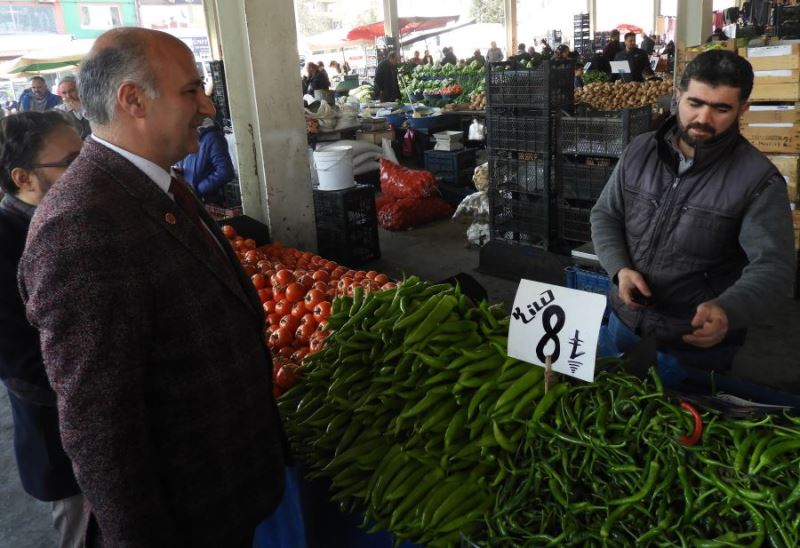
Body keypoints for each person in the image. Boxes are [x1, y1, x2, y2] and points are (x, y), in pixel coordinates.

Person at [18, 27, 287, 547]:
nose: (207, 107)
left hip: (223, 494)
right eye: (190, 91)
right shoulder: (80, 226)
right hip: (187, 519)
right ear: (133, 100)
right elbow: (100, 430)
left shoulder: (154, 180)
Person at [590, 50, 796, 380]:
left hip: (695, 345)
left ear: (742, 109)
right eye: (695, 103)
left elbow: (775, 267)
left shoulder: (758, 180)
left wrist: (729, 309)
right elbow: (605, 215)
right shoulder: (640, 150)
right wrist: (620, 270)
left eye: (721, 109)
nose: (703, 119)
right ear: (677, 96)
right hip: (624, 323)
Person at [0, 111, 87, 548]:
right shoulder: (6, 243)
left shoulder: (73, 219)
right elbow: (23, 366)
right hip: (66, 445)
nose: (86, 169)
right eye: (71, 162)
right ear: (23, 178)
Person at [177, 117, 235, 204]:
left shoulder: (212, 137)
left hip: (207, 201)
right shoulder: (190, 136)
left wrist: (198, 190)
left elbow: (225, 172)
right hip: (191, 197)